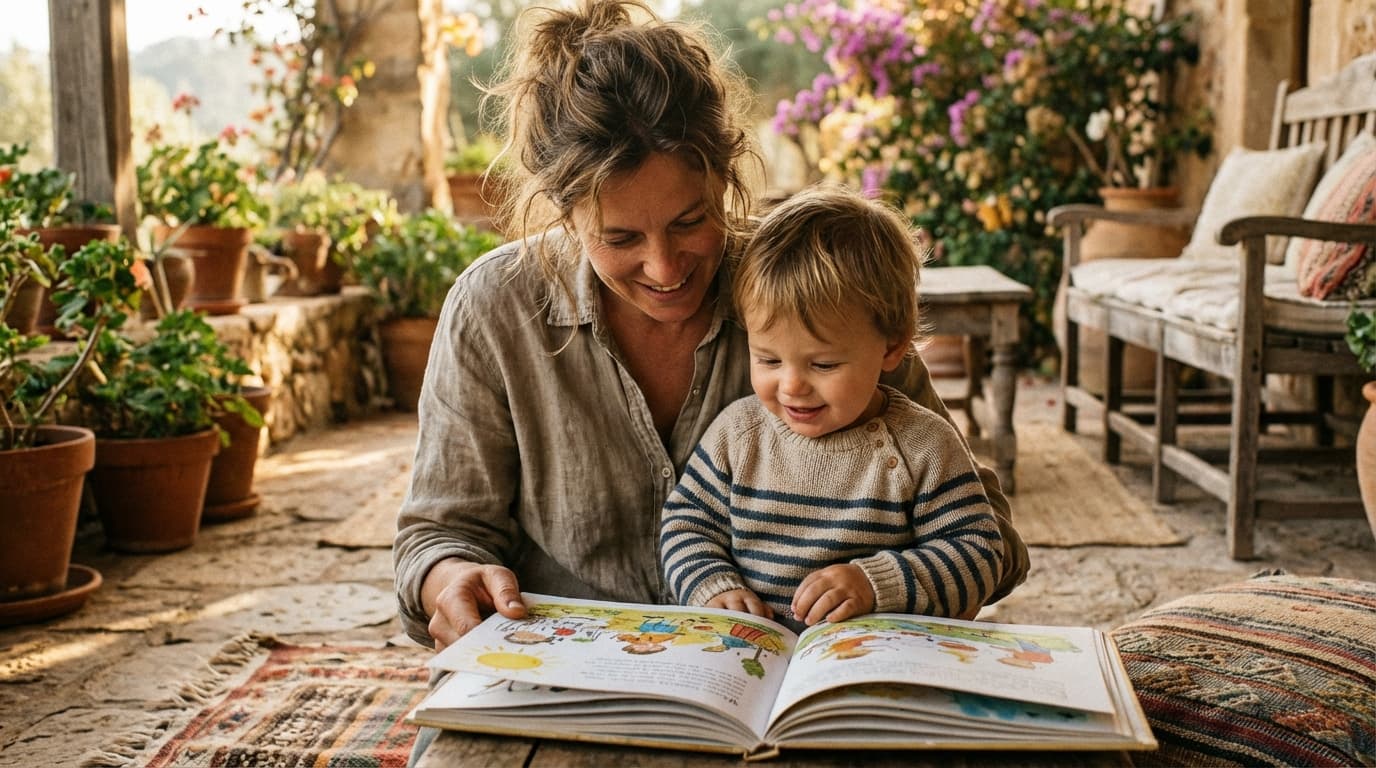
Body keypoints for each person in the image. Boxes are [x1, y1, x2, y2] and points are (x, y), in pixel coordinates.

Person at [393, 0, 1027, 658]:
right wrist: (451, 580)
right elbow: (437, 537)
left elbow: (994, 545)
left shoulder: (810, 290)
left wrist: (886, 582)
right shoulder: (496, 307)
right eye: (620, 237)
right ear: (564, 211)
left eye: (692, 220)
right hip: (571, 671)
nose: (666, 268)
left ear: (725, 176)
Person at [659, 184, 1003, 633]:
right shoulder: (736, 435)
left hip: (872, 660)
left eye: (822, 364)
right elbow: (686, 525)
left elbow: (979, 552)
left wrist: (876, 583)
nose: (792, 385)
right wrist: (712, 586)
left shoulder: (924, 446)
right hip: (753, 655)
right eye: (768, 359)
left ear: (892, 347)